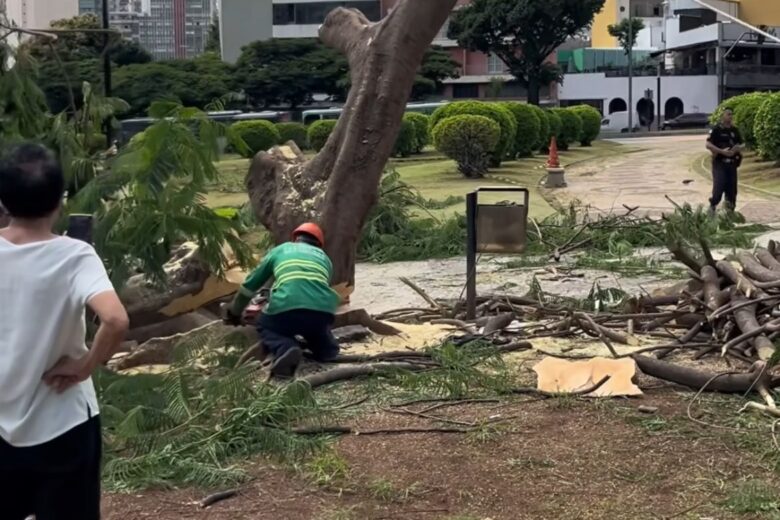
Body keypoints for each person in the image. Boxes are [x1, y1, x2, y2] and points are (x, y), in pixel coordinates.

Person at [0, 143, 129, 519]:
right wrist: (86, 365)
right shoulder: (74, 255)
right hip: (63, 420)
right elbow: (116, 320)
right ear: (60, 200)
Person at [225, 223, 341, 377]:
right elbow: (313, 292)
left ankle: (285, 347)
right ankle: (327, 349)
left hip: (287, 307)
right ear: (319, 244)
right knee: (316, 326)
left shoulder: (281, 250)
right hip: (324, 310)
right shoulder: (325, 259)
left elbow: (249, 286)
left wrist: (235, 311)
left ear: (296, 238)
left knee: (265, 324)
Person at [706, 107, 743, 214]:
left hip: (731, 164)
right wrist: (722, 151)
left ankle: (729, 212)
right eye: (728, 114)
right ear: (722, 116)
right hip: (720, 163)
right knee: (719, 187)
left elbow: (742, 143)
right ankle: (712, 207)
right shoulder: (716, 129)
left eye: (731, 114)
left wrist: (737, 148)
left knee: (732, 190)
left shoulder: (734, 130)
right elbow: (708, 144)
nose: (730, 116)